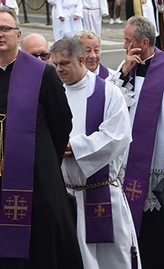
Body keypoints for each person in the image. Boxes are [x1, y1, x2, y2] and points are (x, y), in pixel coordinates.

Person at [0, 8, 83, 268]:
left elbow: (62, 123)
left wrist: (43, 160)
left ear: (18, 34)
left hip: (37, 182)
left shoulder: (42, 73)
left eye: (5, 29)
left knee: (40, 250)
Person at [113, 16, 164, 267]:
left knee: (159, 234)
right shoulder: (128, 65)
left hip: (157, 166)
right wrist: (123, 72)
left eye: (128, 41)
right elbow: (110, 102)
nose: (124, 46)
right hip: (129, 162)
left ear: (144, 42)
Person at [50, 38, 136, 268]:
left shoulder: (108, 92)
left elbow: (118, 135)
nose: (59, 69)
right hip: (65, 192)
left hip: (102, 192)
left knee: (112, 258)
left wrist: (75, 148)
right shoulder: (52, 92)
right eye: (55, 64)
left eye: (64, 63)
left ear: (81, 60)